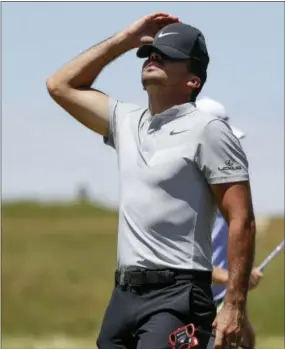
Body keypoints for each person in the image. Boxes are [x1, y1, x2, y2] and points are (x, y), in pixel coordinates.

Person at [47, 13, 256, 349]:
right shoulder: (125, 121)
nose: (154, 57)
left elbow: (241, 219)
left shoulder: (209, 130)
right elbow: (60, 85)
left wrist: (233, 305)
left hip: (178, 295)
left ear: (193, 80)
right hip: (124, 295)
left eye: (169, 54)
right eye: (151, 53)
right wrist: (127, 39)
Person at [196, 97, 263, 349]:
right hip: (188, 305)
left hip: (222, 300)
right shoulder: (186, 201)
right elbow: (180, 260)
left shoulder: (228, 195)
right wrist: (234, 278)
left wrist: (235, 298)